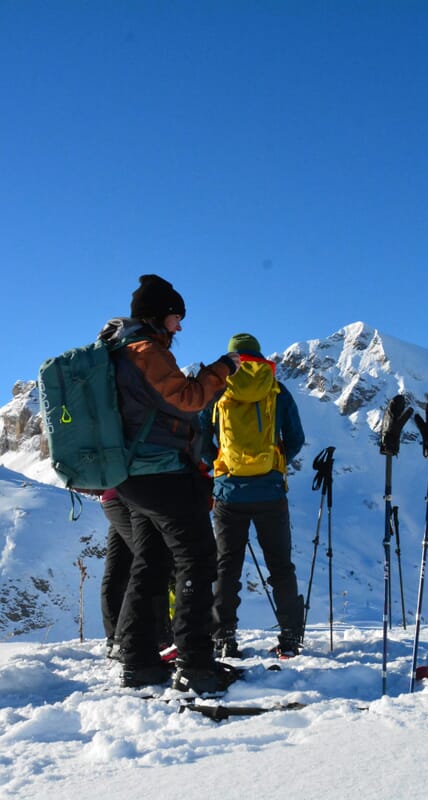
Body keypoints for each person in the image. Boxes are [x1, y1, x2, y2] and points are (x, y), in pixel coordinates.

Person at [99, 274, 241, 693]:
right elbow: (188, 399)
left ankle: (139, 660)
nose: (180, 326)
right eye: (177, 317)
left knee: (152, 562)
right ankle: (196, 664)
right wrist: (222, 370)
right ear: (160, 315)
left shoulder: (120, 350)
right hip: (161, 473)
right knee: (197, 558)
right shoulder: (146, 350)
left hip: (133, 478)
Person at [209, 333, 306, 659]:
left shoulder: (219, 387)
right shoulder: (276, 388)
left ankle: (224, 637)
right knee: (280, 566)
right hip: (270, 492)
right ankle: (290, 637)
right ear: (258, 357)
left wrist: (219, 464)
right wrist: (275, 465)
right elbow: (296, 437)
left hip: (228, 492)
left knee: (227, 567)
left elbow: (197, 435)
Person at [99, 489, 172, 660]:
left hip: (113, 496)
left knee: (120, 566)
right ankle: (153, 637)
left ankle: (116, 641)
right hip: (131, 495)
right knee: (151, 563)